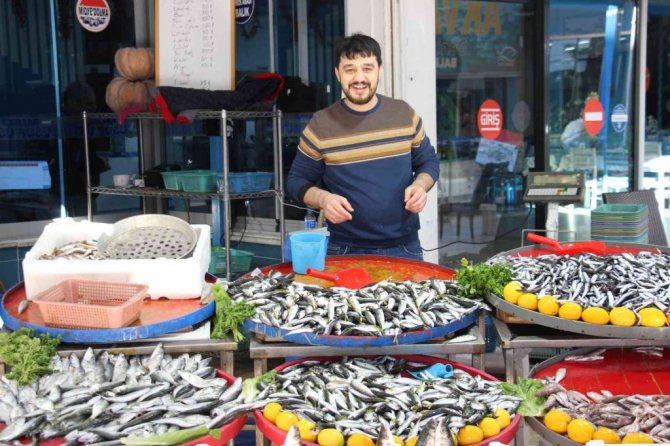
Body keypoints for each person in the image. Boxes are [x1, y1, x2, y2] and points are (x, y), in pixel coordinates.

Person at [286, 34, 440, 261]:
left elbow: (429, 161)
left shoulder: (403, 114)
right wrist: (324, 199)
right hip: (346, 250)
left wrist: (420, 185)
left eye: (367, 68)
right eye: (350, 70)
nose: (359, 78)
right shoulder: (321, 124)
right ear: (338, 73)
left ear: (379, 70)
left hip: (405, 248)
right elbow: (296, 181)